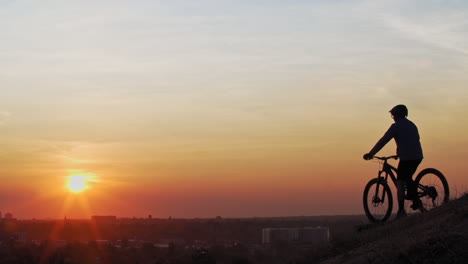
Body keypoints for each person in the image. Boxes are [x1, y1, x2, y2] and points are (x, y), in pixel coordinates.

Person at [363, 104, 423, 219]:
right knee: (407, 177)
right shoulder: (412, 125)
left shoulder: (395, 127)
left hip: (407, 158)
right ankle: (414, 198)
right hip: (417, 156)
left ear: (396, 115)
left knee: (400, 181)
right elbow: (412, 140)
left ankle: (401, 211)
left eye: (393, 115)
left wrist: (371, 153)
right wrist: (399, 153)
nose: (393, 117)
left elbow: (383, 140)